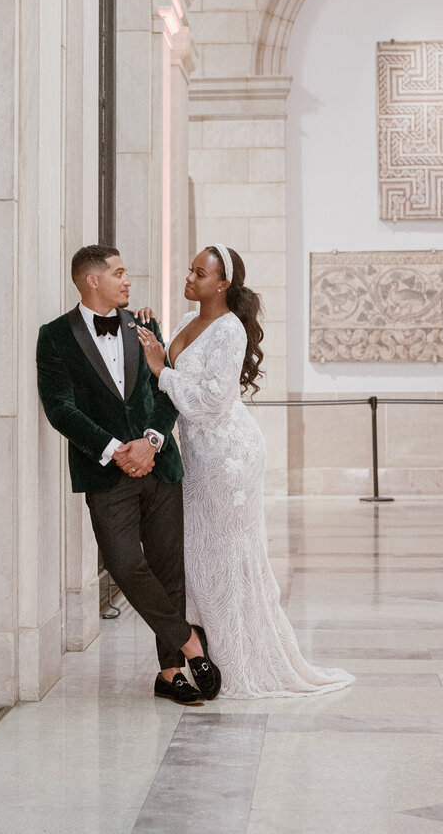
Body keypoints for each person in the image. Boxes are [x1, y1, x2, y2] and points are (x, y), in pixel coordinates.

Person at [137, 244, 354, 699]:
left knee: (227, 559)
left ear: (223, 284)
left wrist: (161, 371)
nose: (191, 278)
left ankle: (236, 664)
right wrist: (152, 335)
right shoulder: (186, 320)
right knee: (196, 559)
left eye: (201, 273)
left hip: (229, 458)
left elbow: (212, 401)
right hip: (197, 459)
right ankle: (203, 653)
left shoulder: (230, 330)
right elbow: (173, 374)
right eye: (191, 269)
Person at [36, 244, 221, 705]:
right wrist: (116, 449)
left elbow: (164, 391)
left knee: (167, 568)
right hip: (105, 471)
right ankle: (190, 641)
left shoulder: (145, 326)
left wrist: (151, 441)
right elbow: (60, 407)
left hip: (160, 465)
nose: (127, 280)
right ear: (92, 280)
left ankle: (171, 672)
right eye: (119, 273)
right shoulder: (54, 336)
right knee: (123, 563)